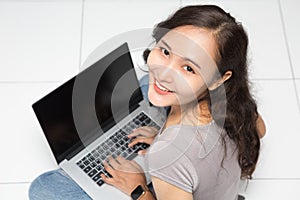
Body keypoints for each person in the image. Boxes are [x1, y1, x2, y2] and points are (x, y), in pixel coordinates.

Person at [29, 5, 266, 200]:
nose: (164, 73)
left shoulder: (167, 155)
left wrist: (138, 187)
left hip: (178, 180)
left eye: (188, 68)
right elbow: (260, 130)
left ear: (218, 79)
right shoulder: (237, 102)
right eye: (165, 51)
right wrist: (164, 134)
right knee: (146, 84)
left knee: (43, 188)